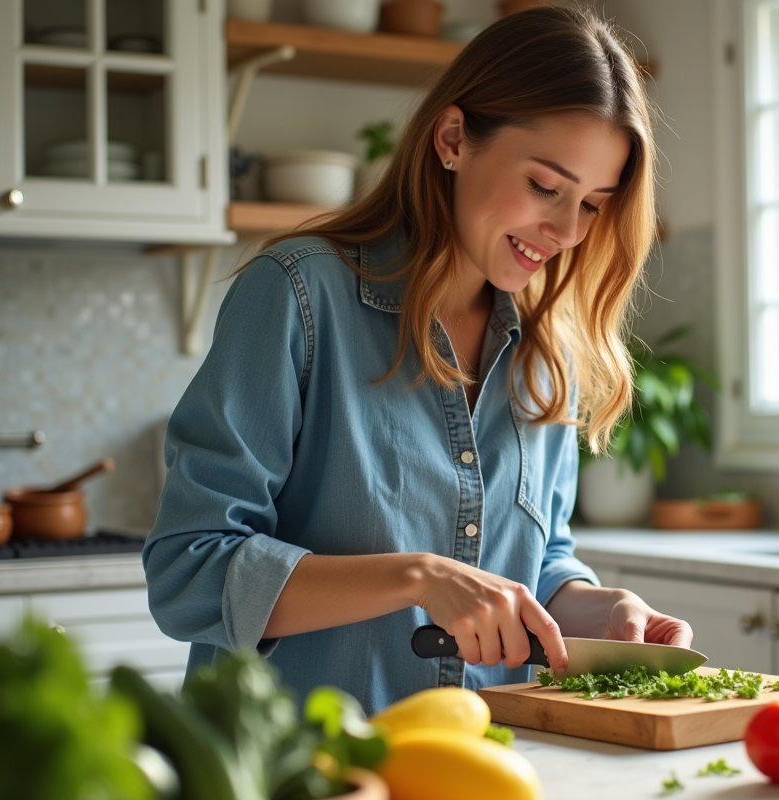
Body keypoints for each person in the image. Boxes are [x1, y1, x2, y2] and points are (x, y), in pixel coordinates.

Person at [145, 6, 693, 715]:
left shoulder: (545, 352)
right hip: (303, 772)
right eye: (545, 186)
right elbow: (188, 572)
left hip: (476, 763)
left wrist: (600, 608)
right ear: (454, 138)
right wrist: (415, 577)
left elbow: (538, 560)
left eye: (592, 204)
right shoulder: (297, 297)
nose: (565, 230)